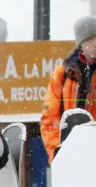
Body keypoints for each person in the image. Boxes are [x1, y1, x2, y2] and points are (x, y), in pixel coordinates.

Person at [41, 16, 96, 162]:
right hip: (71, 153)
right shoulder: (64, 73)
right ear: (81, 43)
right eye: (89, 39)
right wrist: (57, 153)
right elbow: (50, 117)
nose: (95, 43)